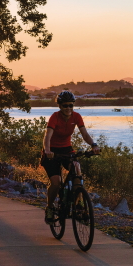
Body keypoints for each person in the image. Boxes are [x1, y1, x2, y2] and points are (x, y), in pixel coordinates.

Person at [41, 90, 100, 224]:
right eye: (65, 105)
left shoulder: (76, 117)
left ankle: (78, 203)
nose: (68, 108)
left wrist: (94, 145)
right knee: (56, 182)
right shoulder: (54, 117)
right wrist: (48, 150)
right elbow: (48, 136)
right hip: (52, 150)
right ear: (60, 106)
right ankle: (50, 208)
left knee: (77, 169)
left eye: (71, 105)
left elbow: (84, 134)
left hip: (67, 149)